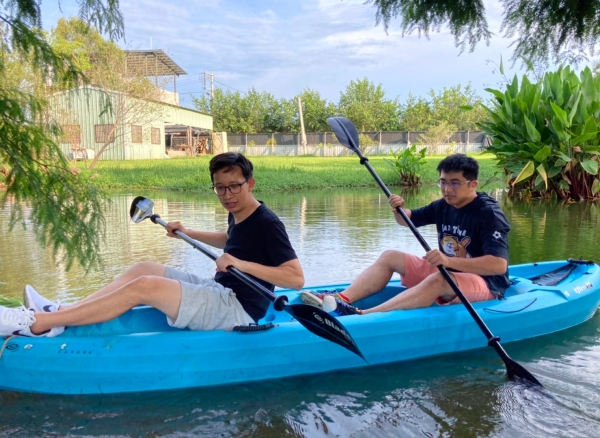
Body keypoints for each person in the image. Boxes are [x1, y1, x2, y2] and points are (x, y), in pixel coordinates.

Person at [0, 152, 304, 337]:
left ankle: (40, 323)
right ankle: (65, 310)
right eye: (220, 188)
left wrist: (241, 265)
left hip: (238, 309)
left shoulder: (268, 223)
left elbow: (295, 278)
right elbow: (232, 240)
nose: (227, 195)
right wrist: (189, 232)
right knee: (143, 268)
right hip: (220, 290)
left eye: (235, 187)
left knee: (146, 286)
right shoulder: (239, 212)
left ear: (250, 184)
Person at [301, 153, 510, 316]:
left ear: (473, 184)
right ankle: (342, 299)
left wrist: (447, 261)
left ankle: (364, 314)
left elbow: (498, 265)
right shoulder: (443, 205)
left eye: (454, 183)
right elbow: (408, 220)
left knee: (439, 279)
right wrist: (399, 209)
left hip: (487, 284)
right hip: (449, 270)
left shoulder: (489, 213)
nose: (447, 189)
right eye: (443, 182)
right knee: (390, 256)